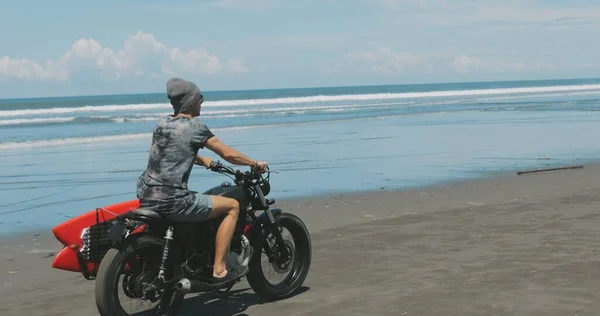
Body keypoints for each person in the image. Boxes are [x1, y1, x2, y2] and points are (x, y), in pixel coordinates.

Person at [136, 77, 267, 287]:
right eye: (200, 98)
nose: (202, 102)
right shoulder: (195, 127)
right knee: (232, 206)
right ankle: (219, 270)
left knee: (198, 196)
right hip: (173, 201)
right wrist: (254, 163)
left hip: (146, 195)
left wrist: (201, 159)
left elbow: (173, 150)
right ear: (191, 101)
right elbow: (227, 154)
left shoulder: (162, 123)